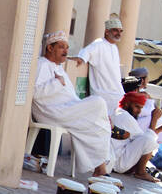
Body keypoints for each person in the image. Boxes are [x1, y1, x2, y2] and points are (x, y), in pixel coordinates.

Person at [30, 31, 111, 178]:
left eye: (67, 48)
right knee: (98, 103)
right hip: (52, 112)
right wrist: (56, 83)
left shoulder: (59, 68)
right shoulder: (41, 64)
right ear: (50, 48)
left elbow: (71, 98)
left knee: (98, 126)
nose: (66, 51)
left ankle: (100, 169)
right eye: (61, 47)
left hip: (67, 111)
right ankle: (100, 169)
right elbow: (35, 93)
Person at [76, 13, 126, 112]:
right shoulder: (99, 44)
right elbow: (86, 52)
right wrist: (81, 58)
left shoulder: (114, 47)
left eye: (120, 31)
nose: (119, 33)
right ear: (107, 31)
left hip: (118, 94)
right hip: (104, 96)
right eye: (115, 30)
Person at [110, 89, 160, 182]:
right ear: (127, 104)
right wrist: (154, 120)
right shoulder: (126, 117)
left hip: (113, 160)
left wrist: (160, 129)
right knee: (149, 140)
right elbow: (146, 140)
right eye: (137, 107)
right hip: (118, 163)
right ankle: (140, 172)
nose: (139, 111)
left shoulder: (117, 111)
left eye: (141, 108)